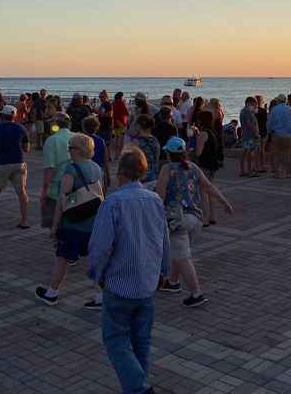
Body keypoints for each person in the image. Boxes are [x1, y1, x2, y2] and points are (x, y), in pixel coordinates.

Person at [87, 148, 170, 394]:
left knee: (115, 340)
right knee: (141, 342)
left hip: (119, 284)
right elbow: (163, 239)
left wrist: (96, 274)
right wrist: (163, 271)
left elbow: (101, 246)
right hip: (147, 283)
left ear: (120, 172)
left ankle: (138, 388)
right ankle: (139, 386)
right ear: (143, 172)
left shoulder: (112, 202)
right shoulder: (155, 200)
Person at [156, 137, 233, 306]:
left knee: (183, 257)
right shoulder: (193, 167)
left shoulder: (167, 169)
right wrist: (225, 203)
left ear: (168, 153)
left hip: (177, 220)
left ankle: (196, 293)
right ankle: (173, 282)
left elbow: (160, 195)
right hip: (195, 219)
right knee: (179, 251)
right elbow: (209, 187)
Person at [35, 134, 103, 307]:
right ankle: (100, 295)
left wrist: (55, 226)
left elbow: (62, 201)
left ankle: (52, 293)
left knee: (62, 258)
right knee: (94, 259)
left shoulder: (71, 170)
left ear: (78, 150)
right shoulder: (96, 167)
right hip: (93, 223)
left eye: (70, 147)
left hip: (72, 224)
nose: (68, 151)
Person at [40, 113, 74, 228]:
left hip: (56, 192)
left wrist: (44, 192)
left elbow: (50, 169)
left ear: (55, 125)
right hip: (75, 189)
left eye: (51, 123)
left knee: (55, 226)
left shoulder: (52, 140)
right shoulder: (78, 137)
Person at [267, 94, 291, 179]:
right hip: (287, 135)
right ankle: (288, 172)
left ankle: (277, 173)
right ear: (285, 100)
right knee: (288, 154)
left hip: (276, 135)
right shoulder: (290, 109)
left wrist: (269, 132)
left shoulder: (274, 109)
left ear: (278, 100)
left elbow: (269, 122)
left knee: (276, 155)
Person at [130, 114, 160, 188]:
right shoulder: (155, 140)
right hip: (154, 177)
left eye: (135, 124)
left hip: (141, 179)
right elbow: (157, 158)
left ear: (139, 126)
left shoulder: (136, 142)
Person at [83, 115, 111, 191]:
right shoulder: (101, 141)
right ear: (96, 128)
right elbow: (106, 160)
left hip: (84, 171)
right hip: (98, 170)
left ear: (84, 127)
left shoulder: (81, 140)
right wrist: (108, 175)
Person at [239, 97, 260, 177]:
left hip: (245, 135)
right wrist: (256, 133)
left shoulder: (243, 111)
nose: (255, 105)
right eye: (254, 103)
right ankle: (250, 171)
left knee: (244, 153)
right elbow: (249, 123)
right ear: (249, 103)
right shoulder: (247, 111)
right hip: (250, 136)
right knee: (250, 154)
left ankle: (242, 170)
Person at [112, 92, 130, 156]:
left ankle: (116, 155)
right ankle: (120, 154)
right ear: (121, 97)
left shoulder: (114, 103)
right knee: (121, 139)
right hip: (121, 123)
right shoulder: (121, 103)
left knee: (117, 139)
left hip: (115, 122)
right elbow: (127, 113)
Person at [254, 95, 268, 172]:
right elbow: (266, 121)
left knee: (256, 150)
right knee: (262, 149)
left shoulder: (253, 110)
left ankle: (256, 166)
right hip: (263, 131)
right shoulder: (263, 110)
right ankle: (262, 165)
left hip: (256, 131)